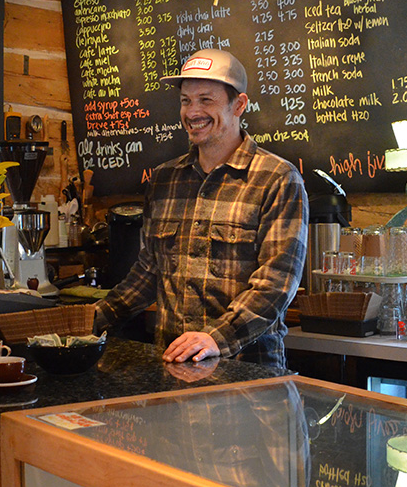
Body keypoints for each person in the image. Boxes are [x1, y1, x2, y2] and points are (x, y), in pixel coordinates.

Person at [95, 49, 308, 368]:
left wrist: (215, 339)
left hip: (248, 375)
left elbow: (276, 283)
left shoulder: (277, 179)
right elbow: (149, 271)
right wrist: (93, 320)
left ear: (239, 105)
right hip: (174, 368)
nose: (193, 112)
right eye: (185, 100)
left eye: (206, 99)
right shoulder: (164, 181)